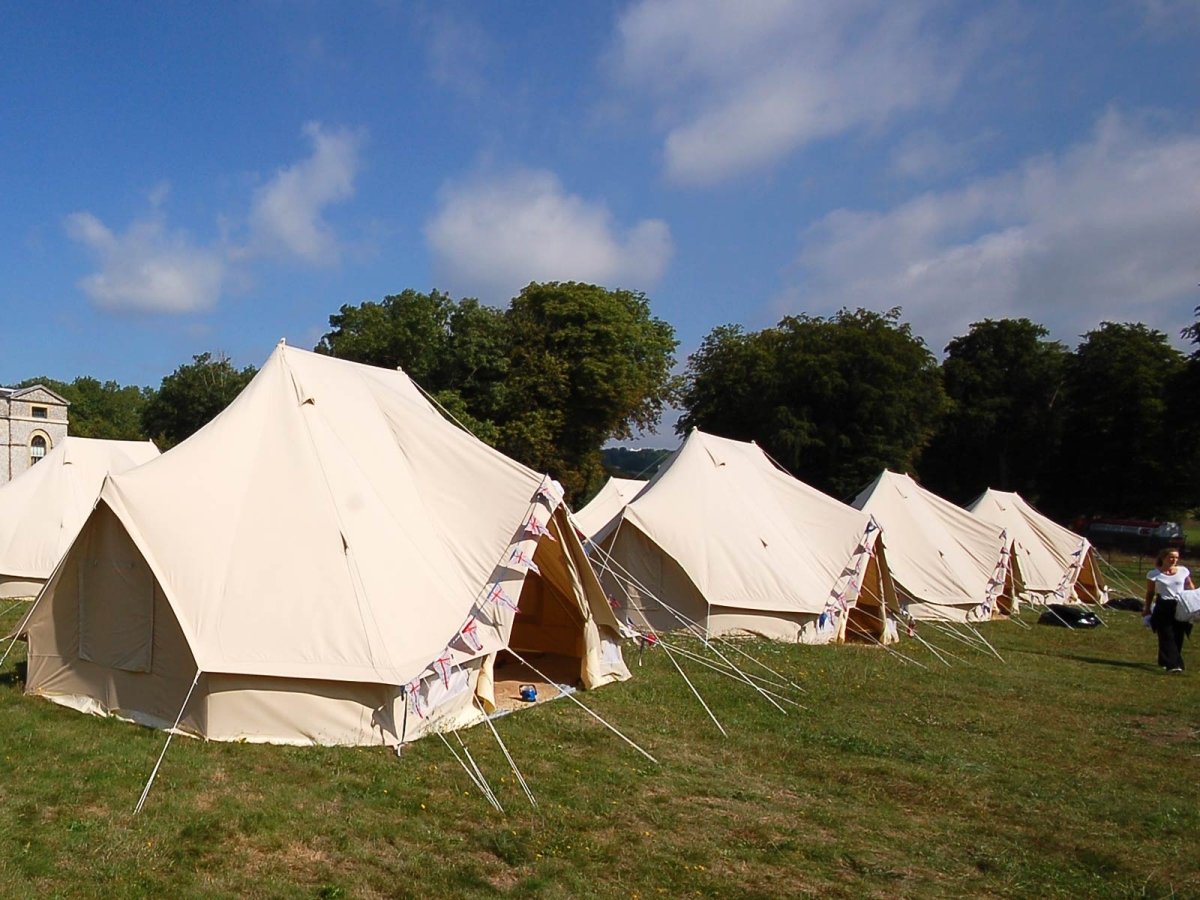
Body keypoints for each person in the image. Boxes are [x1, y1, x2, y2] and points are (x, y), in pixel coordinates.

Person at [1144, 548, 1195, 672]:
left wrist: (1194, 599)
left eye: (1176, 557)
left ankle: (1164, 660)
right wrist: (1147, 608)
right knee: (1166, 634)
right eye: (1171, 557)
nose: (1174, 560)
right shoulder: (1154, 574)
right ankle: (1174, 665)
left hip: (1180, 605)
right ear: (1163, 558)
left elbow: (1189, 585)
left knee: (1178, 634)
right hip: (1164, 605)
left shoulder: (1183, 571)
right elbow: (1150, 593)